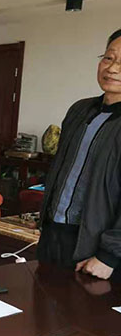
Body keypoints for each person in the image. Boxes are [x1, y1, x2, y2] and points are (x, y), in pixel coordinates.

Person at [37, 28, 121, 281]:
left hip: (98, 249)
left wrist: (109, 255)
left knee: (85, 306)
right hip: (54, 234)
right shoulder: (80, 110)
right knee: (41, 298)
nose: (112, 68)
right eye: (109, 58)